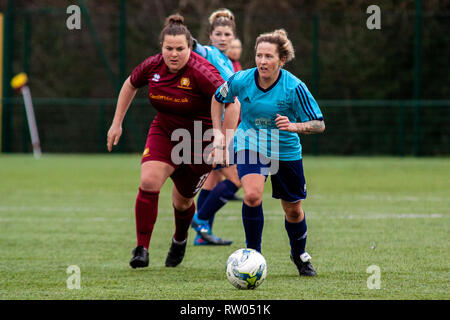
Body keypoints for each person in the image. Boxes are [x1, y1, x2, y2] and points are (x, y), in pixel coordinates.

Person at [106, 14, 239, 269]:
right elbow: (130, 84)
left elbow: (233, 103)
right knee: (148, 181)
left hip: (198, 142)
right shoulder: (153, 66)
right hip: (164, 133)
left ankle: (180, 239)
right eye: (169, 48)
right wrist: (116, 122)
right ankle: (141, 248)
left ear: (190, 48)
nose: (174, 54)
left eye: (180, 49)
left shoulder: (202, 71)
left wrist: (224, 140)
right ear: (161, 48)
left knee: (183, 202)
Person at [212, 29, 325, 276]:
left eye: (269, 56)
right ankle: (253, 255)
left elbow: (319, 123)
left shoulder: (294, 87)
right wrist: (218, 132)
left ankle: (299, 255)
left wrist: (295, 126)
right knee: (252, 196)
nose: (262, 61)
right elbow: (218, 97)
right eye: (259, 55)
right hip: (250, 143)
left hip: (285, 150)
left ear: (281, 60)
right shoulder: (241, 79)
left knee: (293, 210)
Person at [189, 9, 242, 246]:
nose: (222, 37)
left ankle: (203, 234)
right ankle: (199, 219)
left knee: (211, 179)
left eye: (227, 34)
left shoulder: (229, 61)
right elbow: (191, 45)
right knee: (236, 179)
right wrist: (179, 31)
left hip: (219, 126)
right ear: (210, 36)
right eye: (218, 33)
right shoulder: (208, 52)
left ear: (233, 37)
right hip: (214, 128)